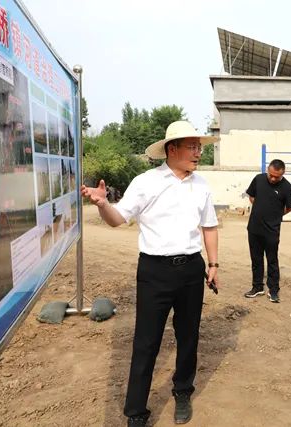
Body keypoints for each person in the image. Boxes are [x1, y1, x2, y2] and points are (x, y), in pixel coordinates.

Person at [81, 121, 221, 427]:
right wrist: (103, 204)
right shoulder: (146, 182)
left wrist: (213, 265)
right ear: (172, 149)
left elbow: (209, 226)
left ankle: (182, 391)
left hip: (191, 270)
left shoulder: (201, 185)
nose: (198, 152)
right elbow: (118, 219)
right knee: (146, 341)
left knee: (188, 336)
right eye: (192, 147)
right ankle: (136, 411)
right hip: (154, 271)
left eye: (199, 147)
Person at [244, 159, 291, 303]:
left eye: (276, 177)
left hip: (272, 230)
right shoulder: (258, 179)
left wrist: (275, 215)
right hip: (254, 228)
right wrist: (260, 208)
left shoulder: (287, 187)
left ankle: (273, 290)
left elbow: (289, 207)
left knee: (272, 260)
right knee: (256, 259)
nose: (272, 179)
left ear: (283, 173)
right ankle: (257, 287)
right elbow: (251, 195)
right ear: (267, 170)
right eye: (270, 175)